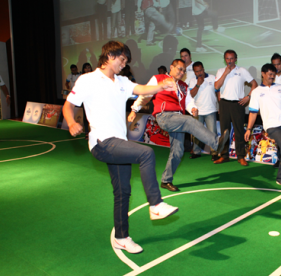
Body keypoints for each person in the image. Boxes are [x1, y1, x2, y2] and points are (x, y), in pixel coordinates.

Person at [62, 41, 179, 254]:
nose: (124, 65)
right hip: (102, 142)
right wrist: (71, 122)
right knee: (146, 153)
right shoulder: (88, 80)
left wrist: (162, 86)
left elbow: (142, 89)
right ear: (110, 56)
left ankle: (121, 237)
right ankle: (156, 205)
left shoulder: (122, 81)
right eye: (122, 60)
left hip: (119, 143)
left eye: (126, 62)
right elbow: (68, 105)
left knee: (123, 191)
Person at [129, 59, 230, 192]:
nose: (182, 72)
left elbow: (188, 100)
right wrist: (134, 109)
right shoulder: (159, 79)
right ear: (171, 67)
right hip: (164, 116)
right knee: (189, 121)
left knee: (178, 151)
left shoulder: (183, 85)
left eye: (183, 70)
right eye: (179, 69)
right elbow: (145, 94)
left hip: (177, 118)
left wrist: (192, 108)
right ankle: (216, 143)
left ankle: (166, 180)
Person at [214, 49, 258, 166]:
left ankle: (241, 156)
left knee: (239, 131)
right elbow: (216, 86)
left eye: (232, 58)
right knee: (225, 131)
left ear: (236, 59)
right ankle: (224, 156)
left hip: (238, 104)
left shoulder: (242, 71)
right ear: (224, 59)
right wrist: (225, 73)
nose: (229, 61)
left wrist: (248, 96)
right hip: (224, 103)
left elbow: (254, 84)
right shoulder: (220, 71)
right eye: (227, 58)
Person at [187, 61, 219, 161]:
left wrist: (220, 106)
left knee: (212, 133)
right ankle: (196, 152)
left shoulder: (212, 78)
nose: (199, 73)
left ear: (203, 69)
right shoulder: (192, 81)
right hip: (197, 111)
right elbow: (191, 95)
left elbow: (218, 92)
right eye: (197, 71)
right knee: (196, 133)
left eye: (200, 70)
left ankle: (214, 153)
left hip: (210, 110)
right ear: (194, 72)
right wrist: (198, 84)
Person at [81, 62, 93, 139]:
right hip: (85, 99)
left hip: (93, 99)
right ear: (83, 69)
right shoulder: (82, 77)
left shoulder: (94, 76)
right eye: (86, 68)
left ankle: (93, 133)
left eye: (89, 67)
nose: (87, 69)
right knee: (86, 117)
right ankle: (86, 133)